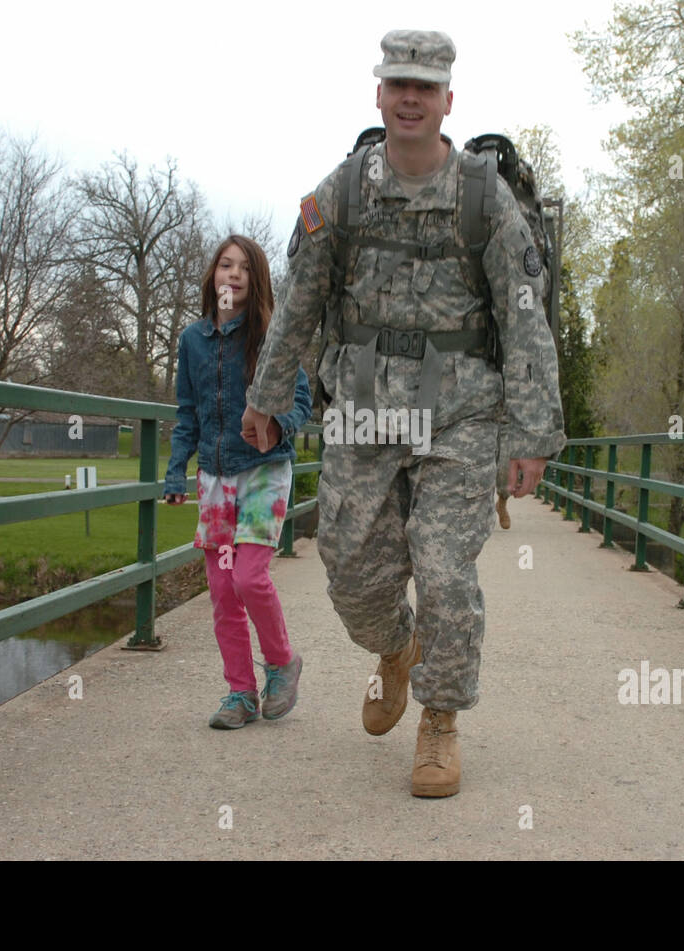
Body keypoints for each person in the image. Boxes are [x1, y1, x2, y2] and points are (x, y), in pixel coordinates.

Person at [241, 31, 565, 796]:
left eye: (425, 86)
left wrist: (532, 433)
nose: (411, 97)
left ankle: (440, 723)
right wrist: (264, 398)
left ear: (448, 100)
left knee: (446, 569)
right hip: (362, 410)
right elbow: (297, 303)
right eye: (398, 85)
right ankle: (395, 646)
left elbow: (525, 318)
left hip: (461, 417)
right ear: (379, 96)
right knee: (352, 574)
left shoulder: (485, 198)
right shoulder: (342, 194)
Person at [164, 235, 313, 729]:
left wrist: (278, 425)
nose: (232, 274)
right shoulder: (192, 341)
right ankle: (240, 694)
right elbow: (187, 413)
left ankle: (281, 662)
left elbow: (302, 404)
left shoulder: (272, 336)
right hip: (213, 477)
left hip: (264, 471)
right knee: (224, 592)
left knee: (249, 577)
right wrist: (175, 470)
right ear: (212, 276)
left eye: (243, 268)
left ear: (256, 280)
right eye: (224, 265)